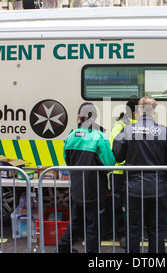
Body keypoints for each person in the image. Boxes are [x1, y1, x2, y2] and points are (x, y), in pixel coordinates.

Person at [112, 96, 167, 253]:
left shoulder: (127, 130)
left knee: (133, 230)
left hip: (133, 188)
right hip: (157, 187)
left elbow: (118, 156)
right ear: (154, 111)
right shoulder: (165, 131)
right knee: (156, 230)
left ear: (139, 111)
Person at [57, 102, 116, 253]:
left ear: (79, 117)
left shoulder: (71, 136)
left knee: (76, 220)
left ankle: (62, 248)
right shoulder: (99, 136)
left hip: (76, 187)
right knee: (93, 226)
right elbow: (109, 163)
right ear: (95, 117)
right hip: (94, 189)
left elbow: (68, 160)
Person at [109, 98, 139, 249]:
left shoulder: (139, 125)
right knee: (120, 206)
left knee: (133, 206)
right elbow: (117, 150)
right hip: (121, 172)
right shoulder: (120, 126)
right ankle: (123, 235)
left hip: (134, 173)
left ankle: (132, 233)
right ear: (134, 112)